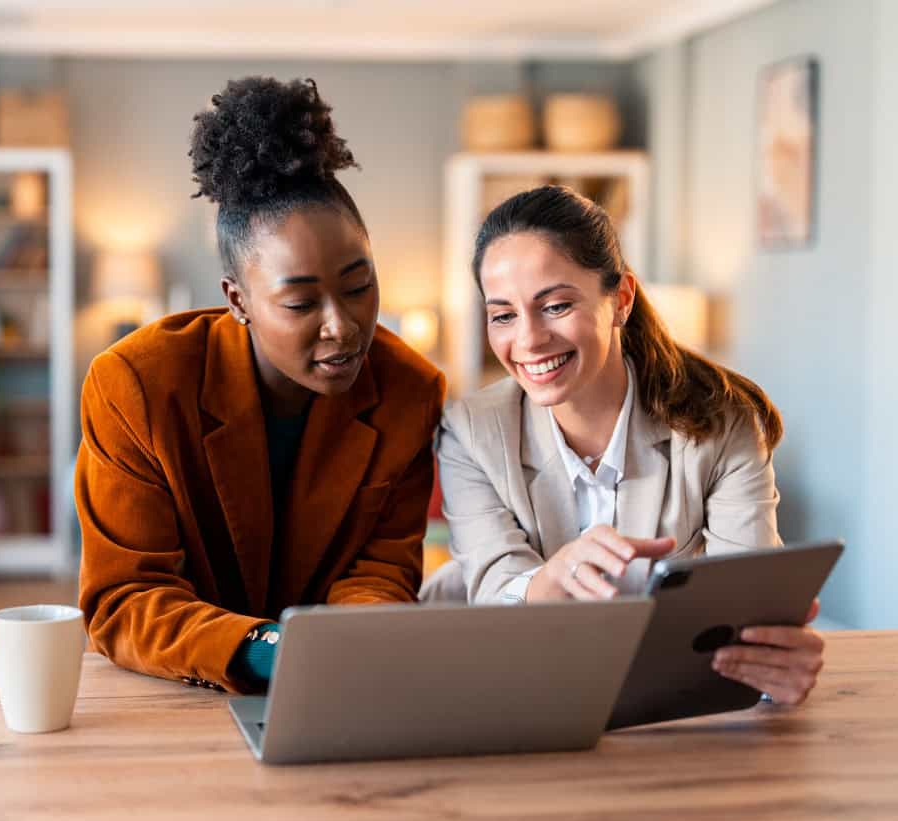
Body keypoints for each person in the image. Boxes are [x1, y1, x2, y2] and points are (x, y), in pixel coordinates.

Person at [76, 77, 445, 694]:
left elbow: (379, 571)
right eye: (300, 302)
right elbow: (126, 597)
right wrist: (274, 651)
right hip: (172, 689)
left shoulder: (410, 390)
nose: (343, 325)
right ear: (237, 300)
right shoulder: (135, 384)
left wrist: (358, 643)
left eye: (359, 287)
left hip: (339, 686)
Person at [421, 185, 824, 706]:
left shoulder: (721, 423)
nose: (529, 340)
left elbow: (743, 610)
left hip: (655, 708)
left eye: (556, 305)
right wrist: (550, 581)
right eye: (503, 315)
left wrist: (774, 667)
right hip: (497, 687)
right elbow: (496, 588)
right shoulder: (470, 433)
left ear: (622, 300)